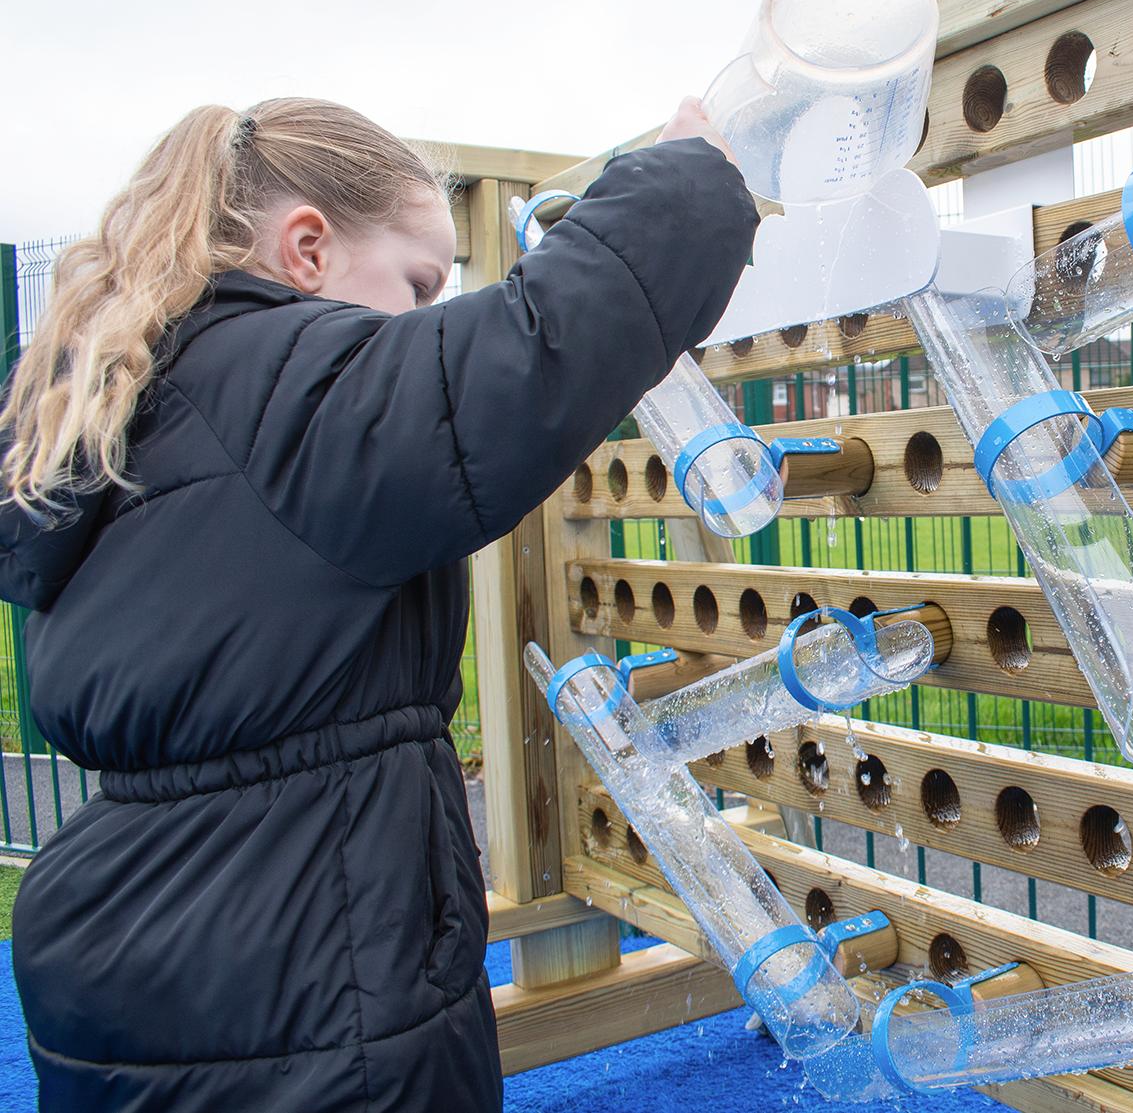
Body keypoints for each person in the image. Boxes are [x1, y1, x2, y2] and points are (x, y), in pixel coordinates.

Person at [0, 95, 755, 1111]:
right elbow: (532, 348)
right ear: (306, 249)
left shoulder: (146, 405)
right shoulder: (287, 389)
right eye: (418, 284)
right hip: (303, 970)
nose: (427, 318)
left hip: (144, 939)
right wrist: (690, 178)